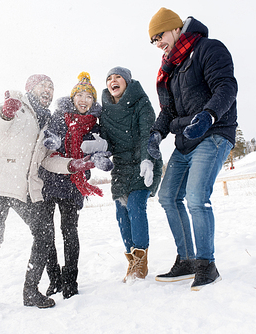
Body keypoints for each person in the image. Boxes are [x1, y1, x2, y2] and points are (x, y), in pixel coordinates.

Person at [0, 74, 95, 309]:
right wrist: (5, 111)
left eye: (52, 87)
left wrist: (72, 165)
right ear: (31, 87)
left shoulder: (47, 122)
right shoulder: (18, 105)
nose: (48, 90)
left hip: (24, 189)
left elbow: (48, 159)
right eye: (44, 85)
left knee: (43, 236)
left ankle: (30, 291)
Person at [147, 8, 238, 291]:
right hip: (186, 139)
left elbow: (226, 86)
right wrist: (155, 133)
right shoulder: (170, 69)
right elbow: (168, 110)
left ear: (175, 29)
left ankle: (206, 265)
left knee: (196, 198)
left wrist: (208, 115)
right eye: (153, 41)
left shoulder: (208, 49)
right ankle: (186, 260)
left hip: (212, 132)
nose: (157, 44)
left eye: (159, 36)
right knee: (168, 197)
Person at [40, 72, 113, 299]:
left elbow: (102, 148)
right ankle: (54, 279)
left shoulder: (94, 124)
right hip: (50, 180)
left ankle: (70, 280)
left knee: (69, 233)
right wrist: (51, 140)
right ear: (73, 98)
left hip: (73, 185)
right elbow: (49, 140)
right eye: (79, 95)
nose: (83, 99)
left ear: (93, 101)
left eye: (88, 97)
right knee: (46, 233)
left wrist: (101, 158)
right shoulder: (59, 116)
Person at [99, 66, 163, 283]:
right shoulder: (105, 110)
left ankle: (141, 261)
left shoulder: (141, 102)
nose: (113, 81)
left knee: (136, 205)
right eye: (109, 78)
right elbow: (106, 139)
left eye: (118, 77)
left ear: (127, 81)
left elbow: (147, 132)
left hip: (144, 161)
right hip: (121, 167)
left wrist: (147, 159)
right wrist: (101, 152)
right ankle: (131, 260)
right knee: (121, 212)